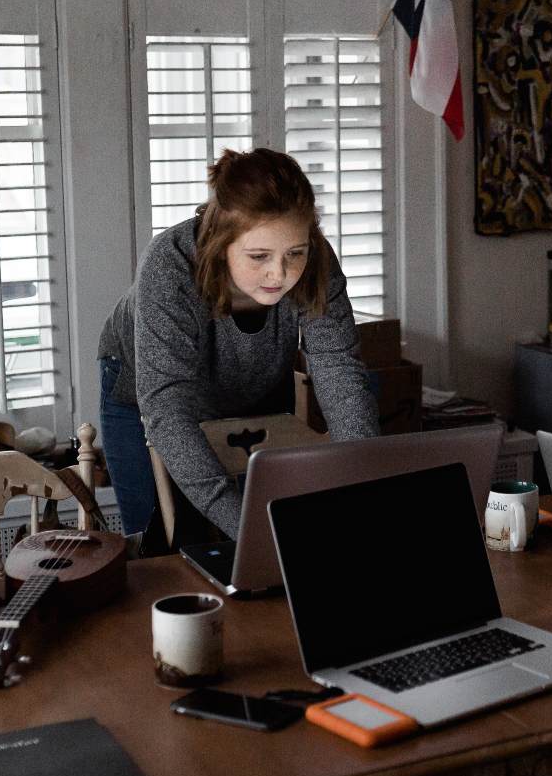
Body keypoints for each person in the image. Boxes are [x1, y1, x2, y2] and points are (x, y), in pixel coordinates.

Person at [96, 148, 379, 541]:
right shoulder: (169, 266)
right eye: (259, 255)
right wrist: (248, 530)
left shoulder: (315, 261)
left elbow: (338, 369)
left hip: (253, 383)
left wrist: (363, 484)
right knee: (157, 545)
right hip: (147, 394)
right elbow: (167, 409)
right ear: (219, 242)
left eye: (294, 253)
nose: (279, 274)